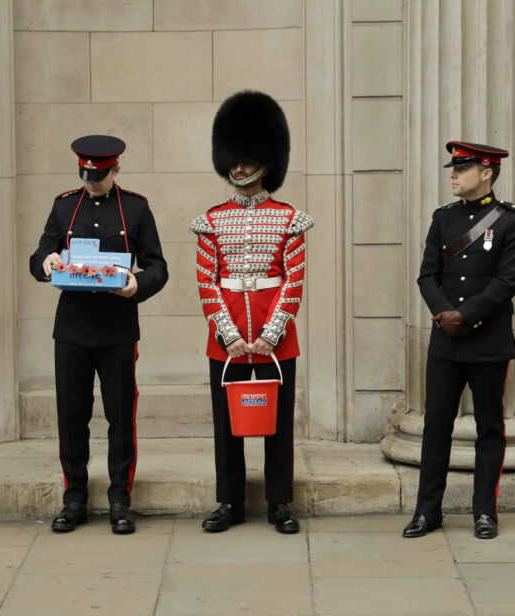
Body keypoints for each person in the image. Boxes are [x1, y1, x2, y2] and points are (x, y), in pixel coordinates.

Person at [28, 135, 168, 535]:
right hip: (72, 328)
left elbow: (158, 266)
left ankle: (120, 499)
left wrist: (136, 283)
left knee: (120, 417)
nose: (91, 180)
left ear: (116, 169)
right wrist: (47, 262)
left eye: (99, 174)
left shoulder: (136, 208)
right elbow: (38, 258)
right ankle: (74, 498)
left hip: (117, 328)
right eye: (85, 173)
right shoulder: (64, 205)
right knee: (72, 416)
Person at [190, 91, 313, 534]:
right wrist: (228, 334)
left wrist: (271, 333)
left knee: (278, 424)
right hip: (228, 339)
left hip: (274, 338)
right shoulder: (211, 220)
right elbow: (207, 282)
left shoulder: (289, 219)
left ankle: (280, 502)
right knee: (227, 425)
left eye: (248, 159)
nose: (239, 168)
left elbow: (293, 281)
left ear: (267, 160)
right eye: (234, 160)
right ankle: (230, 501)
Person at [402, 140, 515, 541]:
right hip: (446, 339)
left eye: (462, 169)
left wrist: (467, 315)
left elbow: (508, 280)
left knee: (489, 428)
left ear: (487, 172)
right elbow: (427, 276)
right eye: (453, 169)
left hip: (488, 340)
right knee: (435, 426)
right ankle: (427, 512)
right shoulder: (444, 219)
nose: (453, 175)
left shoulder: (512, 221)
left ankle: (484, 513)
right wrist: (444, 314)